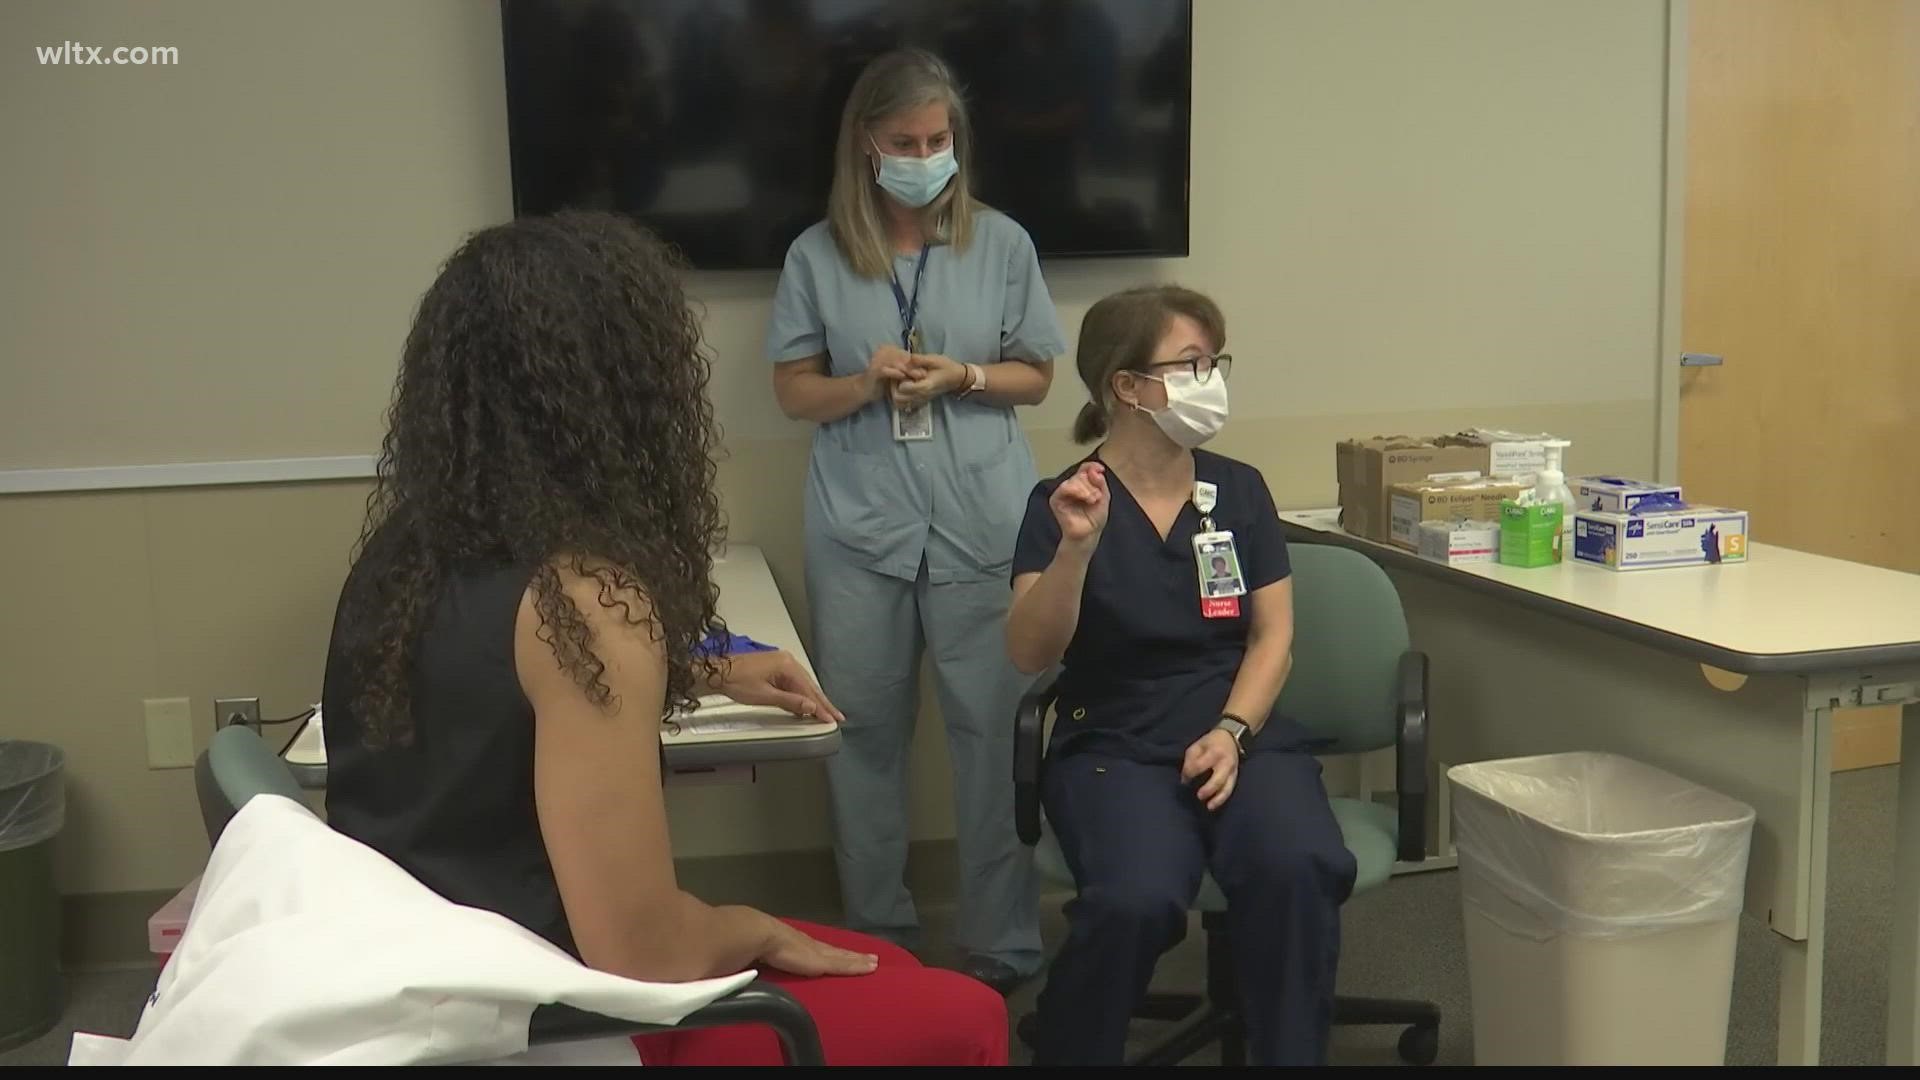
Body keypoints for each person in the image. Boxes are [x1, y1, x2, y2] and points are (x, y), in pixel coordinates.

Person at [319, 210, 1006, 1067]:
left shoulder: (408, 548)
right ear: (625, 389)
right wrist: (750, 923)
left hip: (415, 974)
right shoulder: (586, 603)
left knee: (893, 965)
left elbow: (487, 695)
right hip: (549, 1018)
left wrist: (692, 665)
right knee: (967, 1013)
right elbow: (640, 955)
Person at [766, 47, 1065, 994]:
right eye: (907, 141)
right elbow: (793, 393)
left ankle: (1004, 947)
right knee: (858, 736)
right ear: (868, 144)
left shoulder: (1003, 244)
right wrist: (865, 382)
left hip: (981, 522)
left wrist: (962, 376)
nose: (926, 156)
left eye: (939, 140)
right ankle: (879, 944)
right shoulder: (817, 255)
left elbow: (1039, 374)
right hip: (861, 529)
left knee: (994, 733)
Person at [1004, 285, 1359, 1066]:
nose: (1212, 380)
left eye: (1215, 361)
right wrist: (1076, 549)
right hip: (1116, 743)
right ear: (1127, 387)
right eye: (1190, 364)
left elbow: (1274, 638)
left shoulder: (1239, 490)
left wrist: (1233, 732)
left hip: (1240, 732)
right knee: (1136, 899)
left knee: (1297, 866)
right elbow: (1030, 652)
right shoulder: (1062, 502)